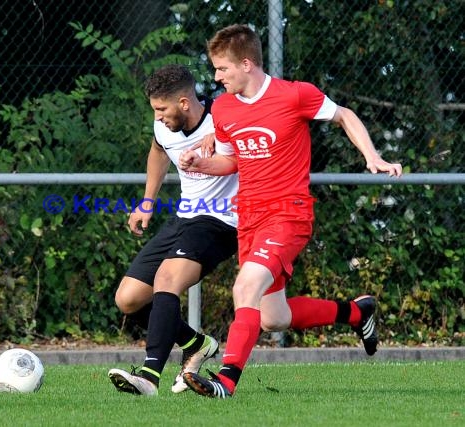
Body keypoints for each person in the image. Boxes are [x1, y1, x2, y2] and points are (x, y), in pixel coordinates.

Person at [178, 24, 403, 398]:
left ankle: (226, 380)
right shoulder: (224, 107)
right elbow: (231, 161)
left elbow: (344, 115)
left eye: (222, 69)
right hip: (249, 218)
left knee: (245, 287)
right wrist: (201, 165)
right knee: (273, 317)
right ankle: (357, 312)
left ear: (246, 63)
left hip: (288, 214)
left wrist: (373, 157)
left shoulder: (295, 95)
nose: (216, 77)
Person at [108, 64, 239, 396]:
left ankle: (150, 376)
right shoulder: (162, 126)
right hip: (184, 218)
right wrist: (147, 202)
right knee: (129, 299)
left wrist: (221, 136)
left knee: (167, 279)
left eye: (162, 109)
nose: (158, 117)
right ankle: (197, 344)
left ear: (183, 103)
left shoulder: (223, 118)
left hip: (221, 221)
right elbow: (157, 151)